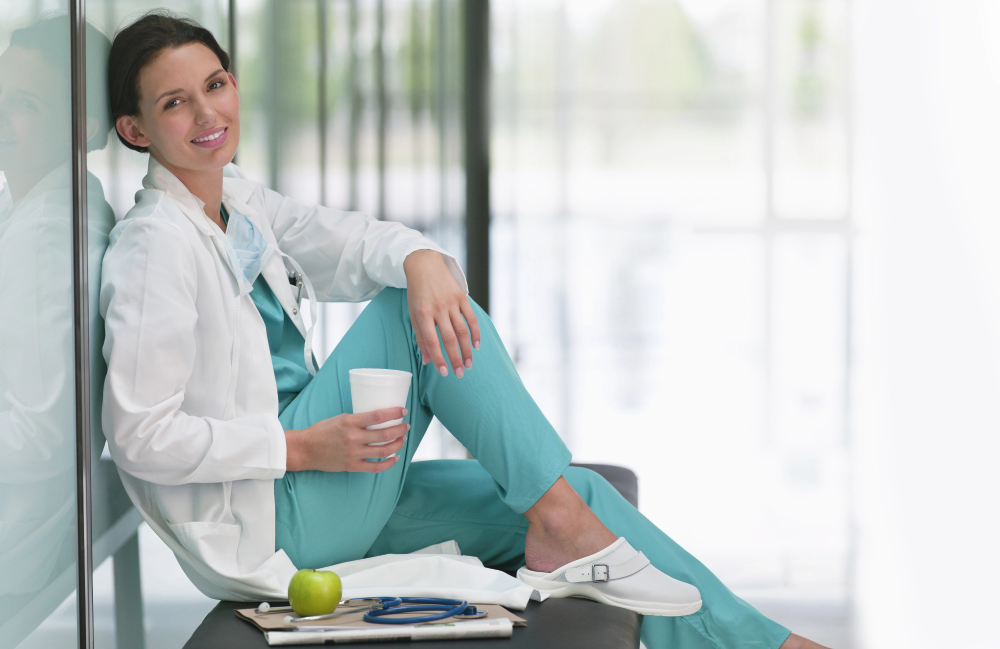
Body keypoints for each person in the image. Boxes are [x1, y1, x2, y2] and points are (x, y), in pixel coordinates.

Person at [101, 11, 828, 649]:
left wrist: (419, 255)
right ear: (135, 130)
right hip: (276, 518)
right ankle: (562, 522)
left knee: (569, 493)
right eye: (175, 102)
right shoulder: (155, 245)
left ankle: (767, 644)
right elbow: (139, 432)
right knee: (408, 320)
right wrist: (298, 444)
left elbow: (349, 242)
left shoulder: (236, 199)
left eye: (216, 84)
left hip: (323, 485)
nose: (207, 113)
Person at [0, 15, 115, 618]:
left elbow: (45, 434)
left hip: (13, 540)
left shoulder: (48, 238)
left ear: (80, 126)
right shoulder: (47, 196)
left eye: (24, 105)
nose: (1, 116)